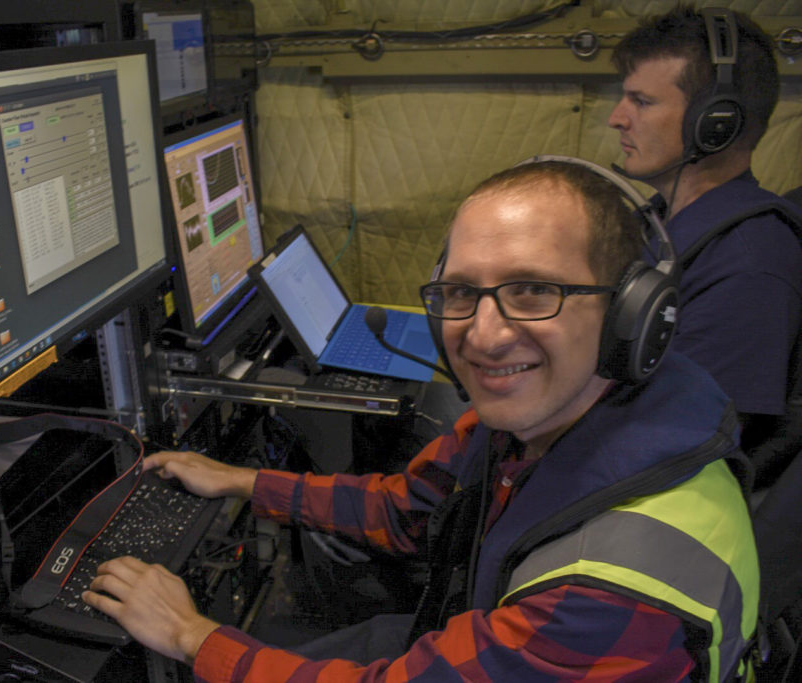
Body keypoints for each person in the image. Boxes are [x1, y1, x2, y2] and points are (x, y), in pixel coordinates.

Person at [82, 160, 759, 681]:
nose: (484, 336)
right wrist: (243, 481)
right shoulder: (552, 413)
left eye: (532, 290)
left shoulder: (607, 593)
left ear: (629, 316)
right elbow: (405, 508)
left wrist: (189, 634)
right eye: (462, 292)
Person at [608, 5, 802, 487]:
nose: (617, 118)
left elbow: (685, 444)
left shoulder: (748, 261)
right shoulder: (652, 227)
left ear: (717, 122)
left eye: (642, 102)